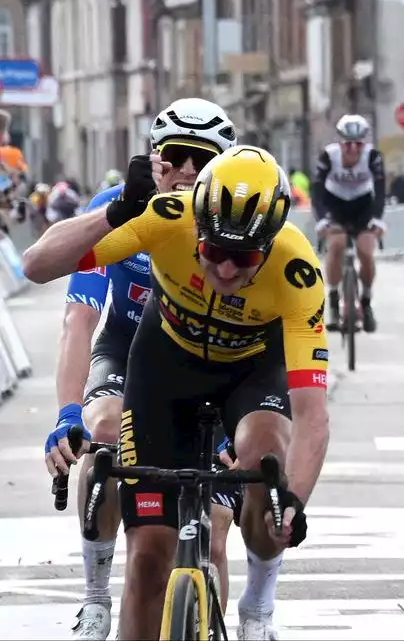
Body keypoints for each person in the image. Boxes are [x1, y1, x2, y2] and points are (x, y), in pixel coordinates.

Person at [22, 145, 331, 641]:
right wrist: (117, 210)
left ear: (271, 244)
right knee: (146, 561)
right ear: (198, 228)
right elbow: (36, 264)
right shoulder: (168, 218)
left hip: (251, 375)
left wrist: (292, 500)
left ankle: (257, 606)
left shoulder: (298, 272)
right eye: (213, 251)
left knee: (266, 454)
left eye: (244, 257)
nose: (226, 271)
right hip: (164, 369)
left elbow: (313, 414)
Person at [43, 98, 241, 640]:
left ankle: (248, 616)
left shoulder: (234, 216)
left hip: (214, 360)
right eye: (172, 157)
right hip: (130, 350)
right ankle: (95, 598)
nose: (184, 171)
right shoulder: (122, 206)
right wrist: (66, 412)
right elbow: (79, 321)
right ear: (152, 159)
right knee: (103, 433)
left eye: (200, 160)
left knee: (218, 535)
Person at [312, 114, 386, 332]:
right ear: (340, 142)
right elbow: (316, 191)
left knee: (365, 251)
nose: (353, 149)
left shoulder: (372, 156)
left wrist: (377, 219)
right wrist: (322, 219)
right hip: (335, 205)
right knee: (336, 246)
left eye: (358, 144)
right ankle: (334, 301)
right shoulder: (328, 156)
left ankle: (366, 301)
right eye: (347, 144)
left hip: (363, 206)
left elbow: (380, 191)